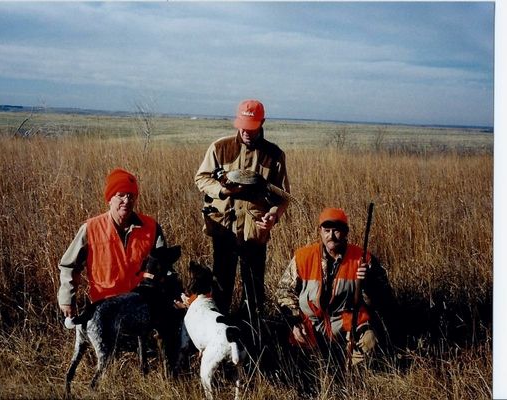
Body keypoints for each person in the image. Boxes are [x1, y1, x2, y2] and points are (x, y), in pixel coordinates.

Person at [194, 99, 290, 326]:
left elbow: (283, 196)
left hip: (255, 232)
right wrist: (222, 190)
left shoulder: (274, 155)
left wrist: (273, 216)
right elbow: (201, 178)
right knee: (221, 288)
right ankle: (218, 335)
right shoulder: (220, 147)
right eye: (243, 124)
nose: (246, 131)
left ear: (262, 122)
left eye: (252, 125)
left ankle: (252, 339)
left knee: (253, 292)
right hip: (224, 229)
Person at [277, 207, 394, 372]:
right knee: (292, 354)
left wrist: (369, 281)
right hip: (311, 324)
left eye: (336, 231)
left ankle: (355, 377)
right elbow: (284, 292)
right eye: (327, 230)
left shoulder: (363, 259)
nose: (331, 236)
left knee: (369, 340)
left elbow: (385, 300)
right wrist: (294, 323)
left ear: (346, 232)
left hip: (346, 324)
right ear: (320, 232)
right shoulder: (303, 257)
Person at [57, 167, 175, 319]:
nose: (126, 201)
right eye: (121, 195)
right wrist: (67, 299)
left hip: (139, 303)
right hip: (104, 306)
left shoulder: (151, 227)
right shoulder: (91, 228)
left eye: (131, 196)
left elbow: (164, 265)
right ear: (110, 198)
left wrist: (174, 294)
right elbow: (69, 266)